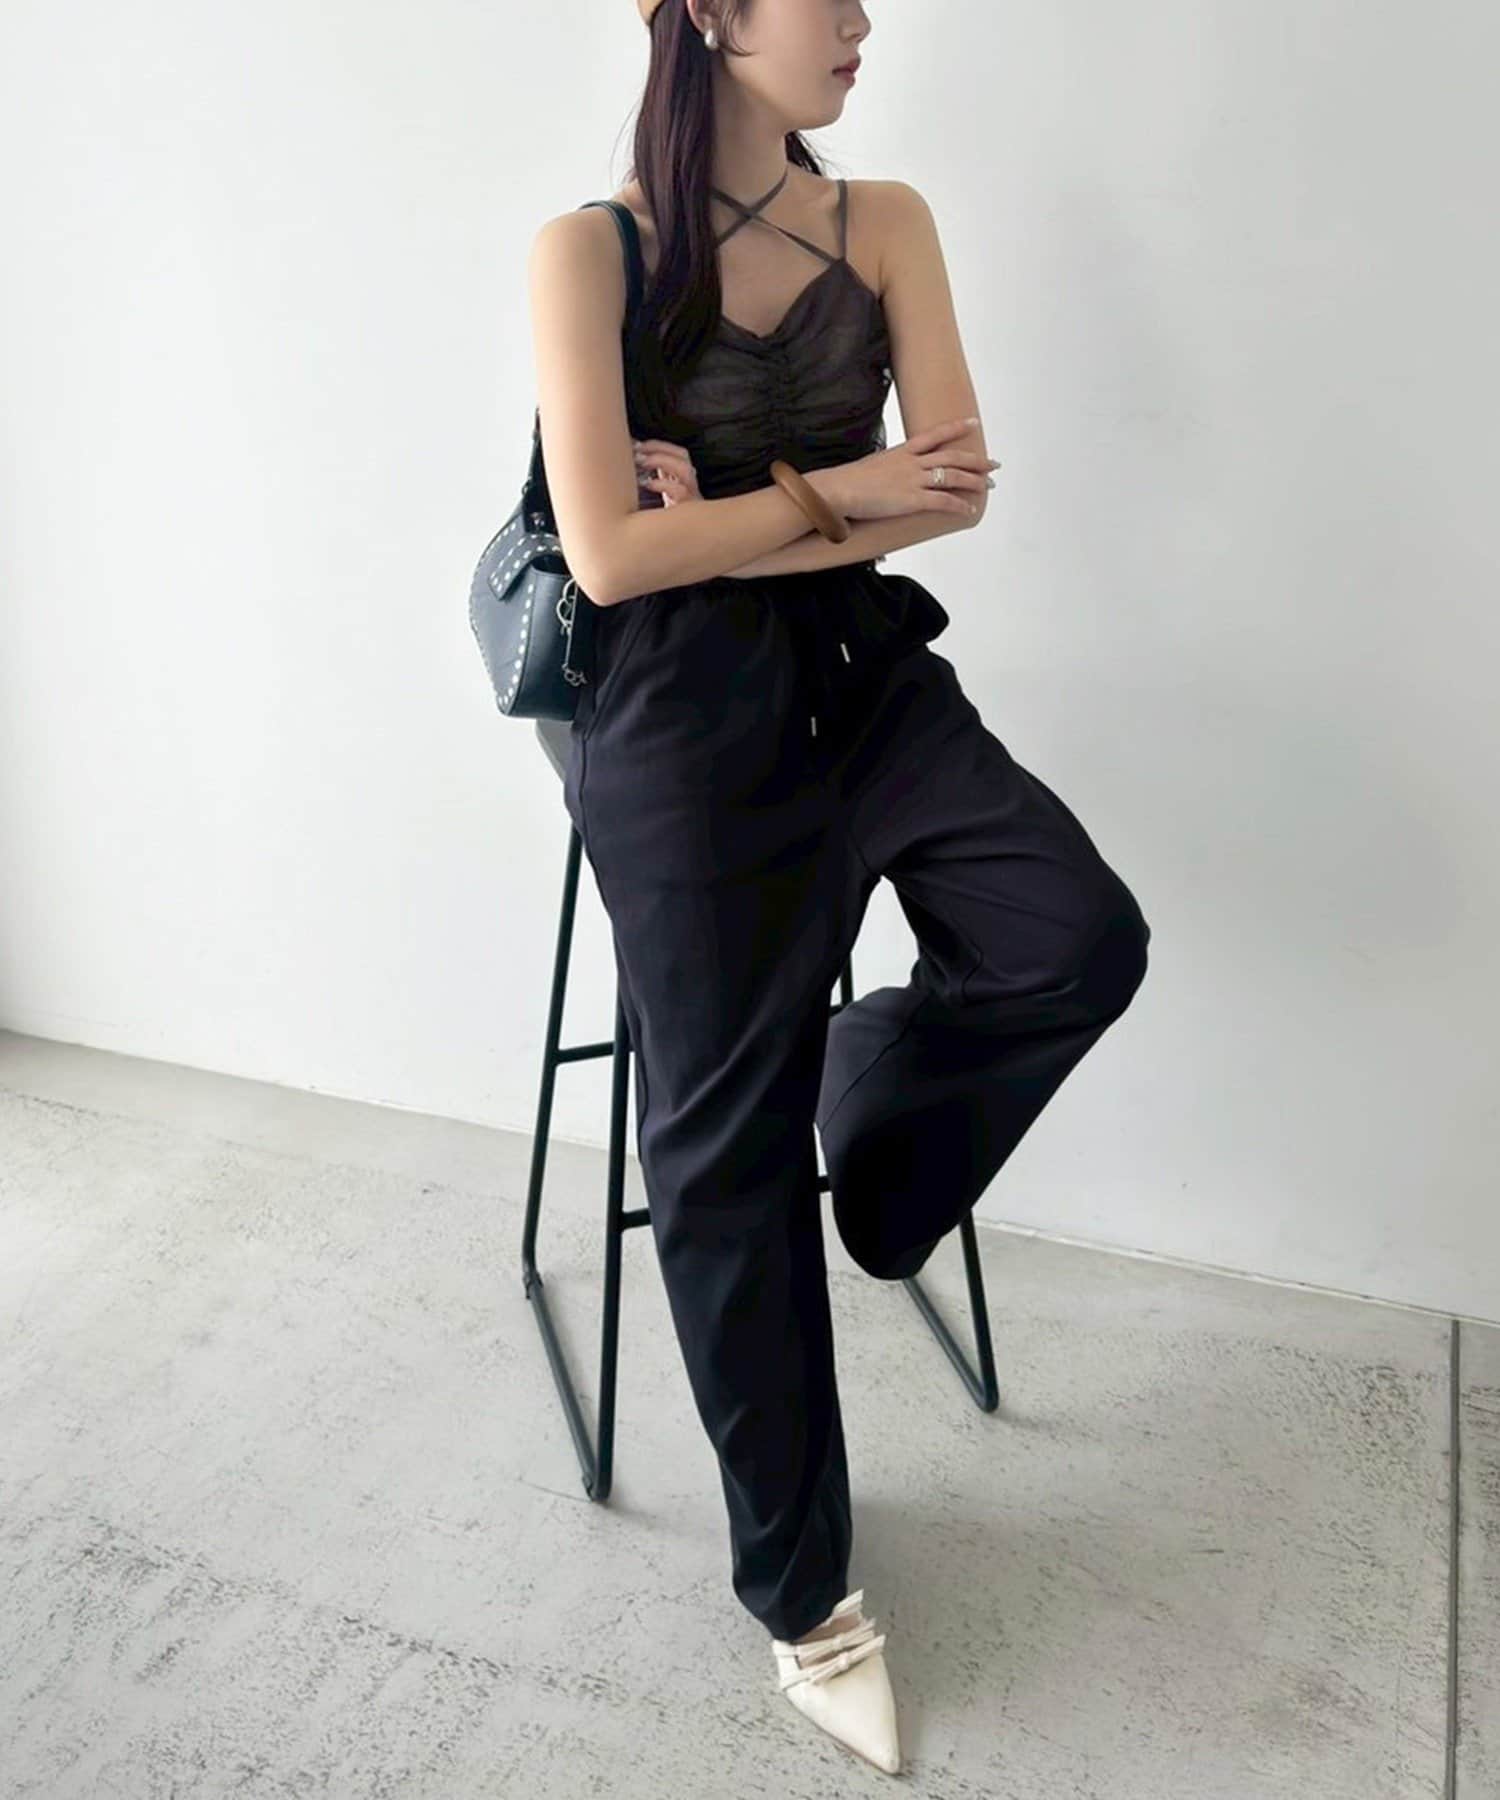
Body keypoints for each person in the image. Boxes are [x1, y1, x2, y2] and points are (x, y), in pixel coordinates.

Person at [526, 0, 1152, 1776]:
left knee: (1073, 936)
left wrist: (737, 519)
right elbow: (608, 556)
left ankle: (868, 1107)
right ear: (713, 13)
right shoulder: (586, 253)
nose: (864, 21)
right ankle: (805, 1600)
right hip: (677, 724)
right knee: (722, 1154)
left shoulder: (884, 221)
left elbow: (951, 491)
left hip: (866, 680)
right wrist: (835, 496)